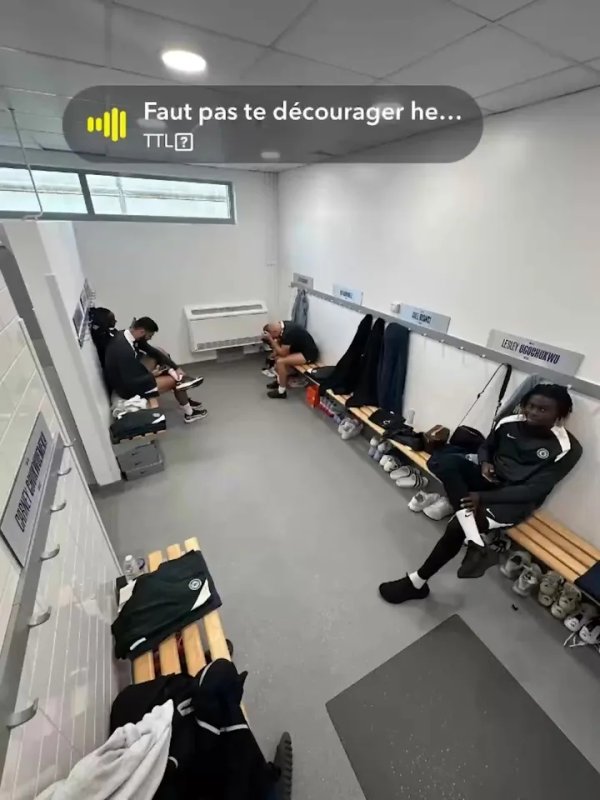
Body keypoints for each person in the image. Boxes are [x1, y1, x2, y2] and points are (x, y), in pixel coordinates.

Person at [379, 384, 582, 604]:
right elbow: (486, 446)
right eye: (530, 406)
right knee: (442, 462)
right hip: (489, 480)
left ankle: (417, 583)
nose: (533, 412)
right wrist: (485, 462)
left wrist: (481, 498)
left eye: (543, 409)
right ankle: (476, 541)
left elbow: (532, 490)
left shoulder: (567, 448)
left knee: (456, 527)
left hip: (515, 499)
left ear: (560, 414)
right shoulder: (509, 423)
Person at [104, 316, 207, 423]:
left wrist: (176, 368)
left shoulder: (127, 335)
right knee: (174, 381)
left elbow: (153, 352)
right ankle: (189, 412)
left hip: (131, 372)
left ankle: (181, 382)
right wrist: (152, 375)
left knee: (159, 352)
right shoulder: (123, 350)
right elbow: (129, 380)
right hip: (127, 388)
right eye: (150, 336)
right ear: (142, 331)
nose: (150, 339)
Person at [262, 320, 319, 399]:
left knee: (280, 362)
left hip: (308, 354)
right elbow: (280, 347)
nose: (275, 338)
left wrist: (271, 340)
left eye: (273, 336)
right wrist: (273, 354)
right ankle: (279, 381)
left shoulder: (288, 333)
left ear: (274, 331)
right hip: (298, 350)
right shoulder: (282, 325)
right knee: (277, 358)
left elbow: (283, 353)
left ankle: (281, 392)